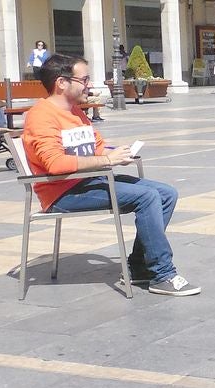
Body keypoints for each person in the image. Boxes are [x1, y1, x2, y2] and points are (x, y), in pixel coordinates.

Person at [23, 54, 199, 296]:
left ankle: (138, 267)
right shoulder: (41, 116)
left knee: (166, 193)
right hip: (61, 192)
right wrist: (106, 160)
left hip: (88, 181)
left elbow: (94, 146)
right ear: (62, 82)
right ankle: (163, 273)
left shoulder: (76, 112)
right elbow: (54, 163)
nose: (90, 84)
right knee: (147, 197)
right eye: (84, 79)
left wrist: (118, 152)